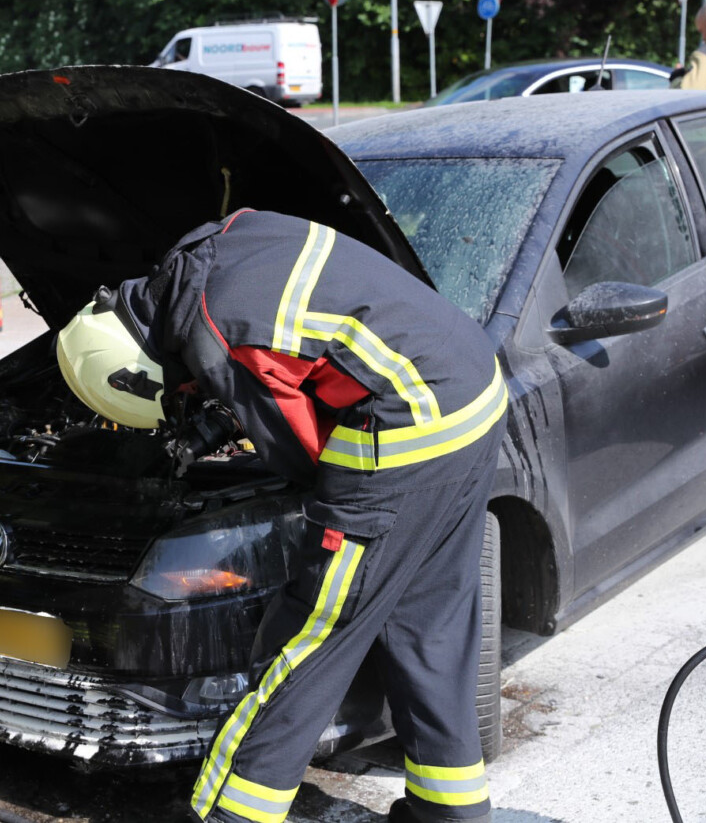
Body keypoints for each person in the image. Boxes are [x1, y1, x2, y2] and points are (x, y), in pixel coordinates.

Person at [56, 209, 507, 823]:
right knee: (431, 617)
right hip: (472, 389)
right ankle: (450, 811)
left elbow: (300, 453)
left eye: (180, 392)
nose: (188, 395)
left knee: (315, 628)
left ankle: (232, 812)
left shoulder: (220, 334)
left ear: (138, 373)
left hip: (409, 424)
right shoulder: (216, 243)